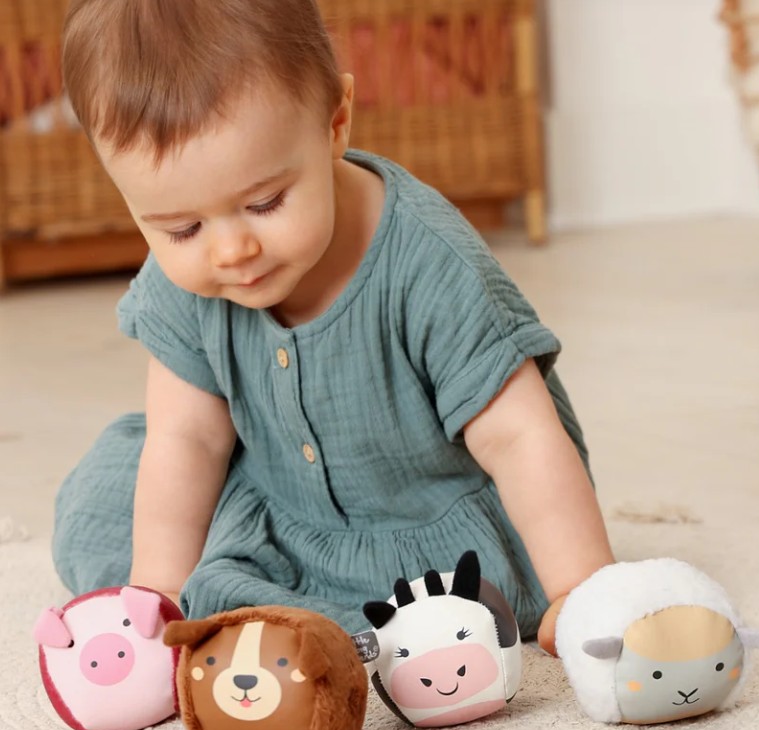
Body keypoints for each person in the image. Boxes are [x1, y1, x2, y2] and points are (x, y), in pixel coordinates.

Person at [53, 0, 614, 656]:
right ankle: (260, 608)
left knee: (468, 601)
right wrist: (158, 597)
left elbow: (520, 437)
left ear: (335, 122)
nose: (231, 251)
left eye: (264, 203)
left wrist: (583, 591)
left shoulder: (428, 262)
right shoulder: (189, 280)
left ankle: (323, 621)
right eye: (181, 228)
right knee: (104, 494)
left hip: (434, 529)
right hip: (279, 505)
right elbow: (189, 440)